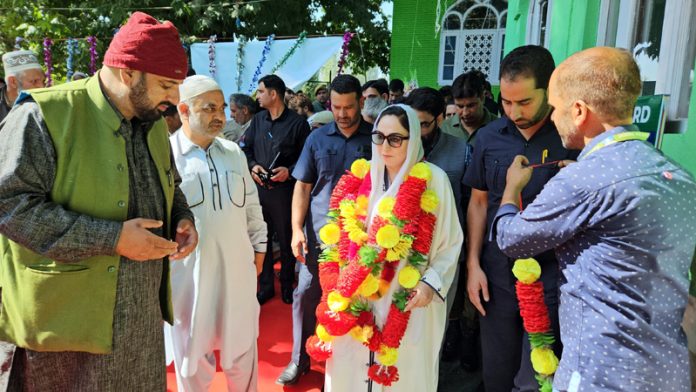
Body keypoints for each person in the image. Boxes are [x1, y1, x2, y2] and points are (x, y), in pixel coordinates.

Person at [0, 12, 198, 390]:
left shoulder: (153, 122)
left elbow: (171, 184)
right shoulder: (44, 115)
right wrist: (111, 238)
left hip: (141, 324)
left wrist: (182, 218)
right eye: (165, 85)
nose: (174, 100)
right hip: (64, 328)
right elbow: (9, 204)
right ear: (127, 73)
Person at [494, 46, 696, 392]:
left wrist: (512, 191)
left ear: (578, 111)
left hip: (601, 370)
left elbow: (511, 239)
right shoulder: (679, 176)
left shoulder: (583, 180)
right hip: (667, 370)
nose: (553, 117)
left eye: (555, 108)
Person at [322, 104, 463, 391]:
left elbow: (451, 244)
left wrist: (428, 285)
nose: (385, 146)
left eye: (395, 138)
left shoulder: (434, 180)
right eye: (379, 137)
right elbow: (338, 239)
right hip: (359, 298)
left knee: (404, 373)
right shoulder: (361, 179)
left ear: (414, 139)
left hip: (406, 298)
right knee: (351, 371)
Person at [463, 45, 577, 392]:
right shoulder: (488, 137)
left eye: (525, 102)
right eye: (506, 102)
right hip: (496, 277)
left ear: (550, 89)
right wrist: (473, 265)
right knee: (496, 373)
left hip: (553, 278)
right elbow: (479, 202)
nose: (514, 112)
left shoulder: (571, 138)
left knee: (538, 378)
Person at [167, 75, 267, 391]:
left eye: (221, 107)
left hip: (238, 269)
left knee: (243, 348)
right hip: (189, 276)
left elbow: (251, 204)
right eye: (209, 108)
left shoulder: (233, 153)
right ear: (183, 109)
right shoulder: (165, 156)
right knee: (192, 353)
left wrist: (260, 246)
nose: (219, 116)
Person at [276, 74, 372, 386]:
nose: (342, 114)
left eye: (348, 107)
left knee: (357, 300)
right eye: (336, 107)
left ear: (360, 102)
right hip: (319, 237)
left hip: (360, 239)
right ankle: (299, 359)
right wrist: (295, 230)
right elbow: (302, 187)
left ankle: (353, 364)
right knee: (305, 294)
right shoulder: (316, 139)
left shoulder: (375, 139)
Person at [242, 74, 311, 305]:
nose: (257, 96)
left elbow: (307, 158)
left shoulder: (298, 123)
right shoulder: (258, 120)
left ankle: (287, 284)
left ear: (274, 94)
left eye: (261, 91)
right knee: (261, 237)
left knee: (286, 237)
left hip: (285, 192)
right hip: (259, 190)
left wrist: (289, 171)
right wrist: (253, 167)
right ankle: (266, 285)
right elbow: (246, 148)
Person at [441, 71, 497, 140]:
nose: (465, 113)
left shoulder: (499, 128)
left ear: (482, 98)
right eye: (460, 106)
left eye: (471, 105)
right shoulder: (445, 128)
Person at [1, 50, 44, 122]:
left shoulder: (43, 102)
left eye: (43, 81)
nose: (42, 86)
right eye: (34, 81)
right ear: (13, 82)